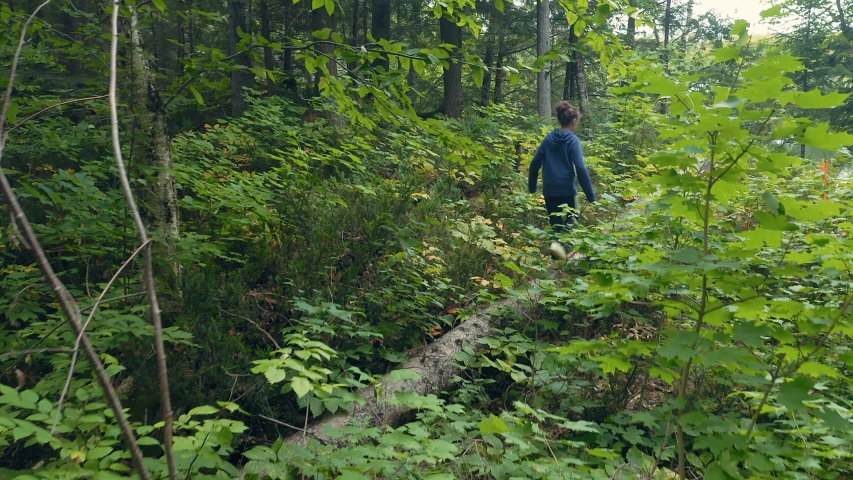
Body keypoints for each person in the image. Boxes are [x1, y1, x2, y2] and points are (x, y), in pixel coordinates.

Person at [528, 101, 596, 261]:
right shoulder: (572, 140)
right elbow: (580, 167)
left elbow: (534, 163)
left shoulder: (548, 139)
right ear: (574, 121)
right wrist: (591, 196)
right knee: (573, 217)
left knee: (556, 224)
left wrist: (532, 187)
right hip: (566, 189)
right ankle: (562, 255)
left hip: (550, 190)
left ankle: (557, 259)